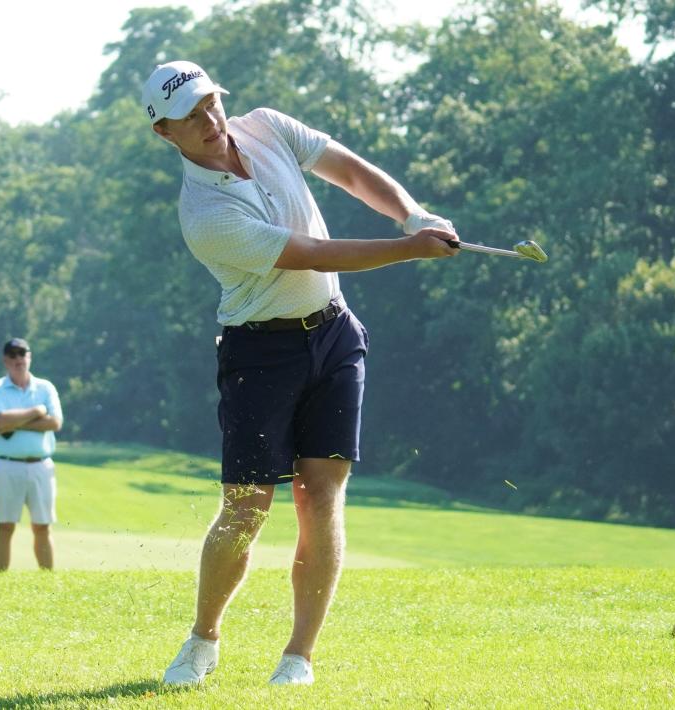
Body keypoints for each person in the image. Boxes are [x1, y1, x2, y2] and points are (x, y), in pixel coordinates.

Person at [143, 60, 458, 686]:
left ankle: (299, 657)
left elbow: (347, 170)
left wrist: (410, 214)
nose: (210, 121)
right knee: (248, 507)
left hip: (336, 334)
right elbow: (308, 253)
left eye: (211, 104)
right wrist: (407, 250)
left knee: (321, 498)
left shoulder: (267, 126)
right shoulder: (203, 215)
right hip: (260, 353)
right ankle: (203, 640)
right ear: (165, 134)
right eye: (192, 117)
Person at [0, 337, 63, 571]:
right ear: (5, 359)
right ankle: (0, 580)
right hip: (6, 465)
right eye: (12, 354)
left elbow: (54, 423)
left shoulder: (45, 387)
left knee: (42, 526)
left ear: (30, 356)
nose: (18, 358)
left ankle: (48, 578)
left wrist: (15, 421)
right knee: (5, 526)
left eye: (23, 353)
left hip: (41, 465)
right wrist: (36, 411)